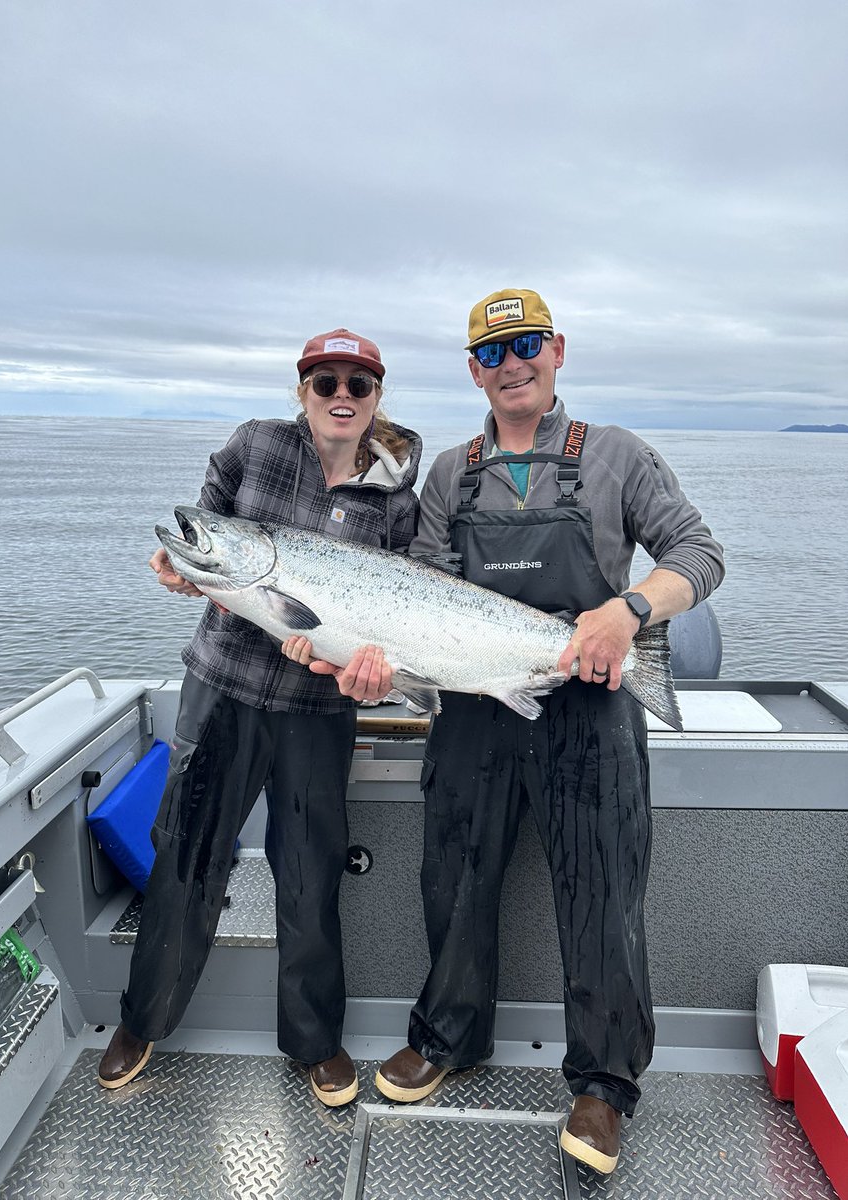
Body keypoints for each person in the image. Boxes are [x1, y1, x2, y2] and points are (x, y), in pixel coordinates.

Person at [371, 289, 725, 1174]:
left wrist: (629, 610)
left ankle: (603, 1085)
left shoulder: (615, 456)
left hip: (592, 708)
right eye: (493, 353)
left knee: (602, 895)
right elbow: (417, 591)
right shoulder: (450, 472)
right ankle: (445, 1037)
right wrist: (375, 661)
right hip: (472, 713)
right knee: (452, 880)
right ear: (472, 371)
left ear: (558, 350)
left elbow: (700, 554)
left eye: (526, 343)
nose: (512, 363)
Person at [98, 328, 421, 1107]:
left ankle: (315, 1043)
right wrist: (179, 572)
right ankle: (143, 1021)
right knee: (185, 861)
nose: (341, 395)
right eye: (324, 382)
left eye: (357, 383)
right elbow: (198, 535)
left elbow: (408, 605)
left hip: (319, 710)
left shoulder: (396, 497)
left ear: (377, 397)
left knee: (310, 878)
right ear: (302, 389)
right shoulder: (255, 448)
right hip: (226, 690)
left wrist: (381, 673)